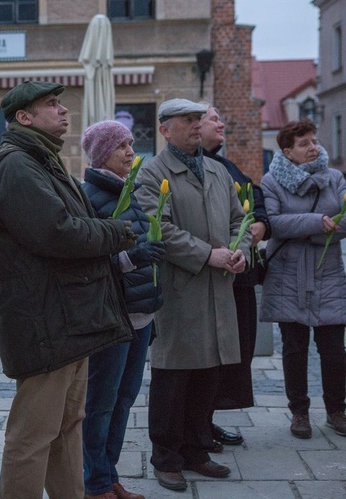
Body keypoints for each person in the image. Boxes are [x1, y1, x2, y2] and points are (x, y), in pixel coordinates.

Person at [0, 81, 137, 499]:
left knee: (67, 427)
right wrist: (118, 232)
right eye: (51, 104)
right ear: (24, 117)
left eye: (61, 103)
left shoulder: (42, 160)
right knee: (33, 436)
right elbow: (59, 233)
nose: (63, 111)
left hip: (68, 317)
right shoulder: (17, 166)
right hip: (45, 320)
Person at [134, 98, 250, 492]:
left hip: (218, 290)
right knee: (174, 376)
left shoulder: (218, 171)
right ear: (165, 129)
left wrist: (239, 250)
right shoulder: (152, 173)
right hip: (180, 292)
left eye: (199, 118)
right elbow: (158, 228)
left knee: (208, 374)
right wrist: (207, 254)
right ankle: (166, 457)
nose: (196, 125)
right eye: (187, 120)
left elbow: (241, 219)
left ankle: (198, 450)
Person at [81, 120, 165, 499]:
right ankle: (95, 482)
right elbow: (89, 264)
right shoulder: (88, 197)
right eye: (121, 146)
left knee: (124, 401)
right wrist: (134, 258)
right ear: (102, 154)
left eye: (131, 144)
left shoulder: (132, 192)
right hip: (112, 319)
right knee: (101, 404)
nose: (131, 151)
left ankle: (109, 475)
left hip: (141, 315)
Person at [259, 119, 346, 439]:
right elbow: (275, 224)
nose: (313, 147)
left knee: (335, 349)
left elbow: (345, 218)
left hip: (329, 274)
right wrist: (317, 224)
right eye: (304, 143)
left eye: (314, 140)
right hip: (288, 275)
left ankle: (337, 410)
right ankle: (299, 413)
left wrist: (317, 229)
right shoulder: (271, 181)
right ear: (288, 151)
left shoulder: (335, 177)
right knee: (294, 349)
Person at [200, 105, 271, 450]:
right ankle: (199, 423)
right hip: (214, 276)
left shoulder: (226, 165)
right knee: (211, 356)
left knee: (234, 354)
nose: (222, 123)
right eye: (214, 118)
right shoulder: (196, 167)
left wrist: (261, 223)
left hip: (239, 275)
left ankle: (206, 420)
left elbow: (253, 197)